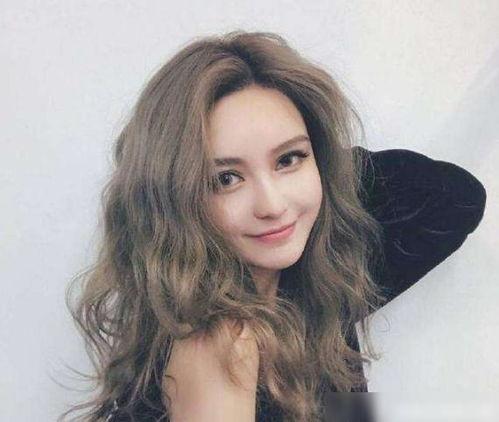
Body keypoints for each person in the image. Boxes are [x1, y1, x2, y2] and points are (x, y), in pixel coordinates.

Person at [59, 30, 487, 422]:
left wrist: (323, 170)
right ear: (176, 200)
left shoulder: (310, 290)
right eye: (226, 179)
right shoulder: (223, 341)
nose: (272, 205)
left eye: (289, 159)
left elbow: (456, 199)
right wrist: (293, 162)